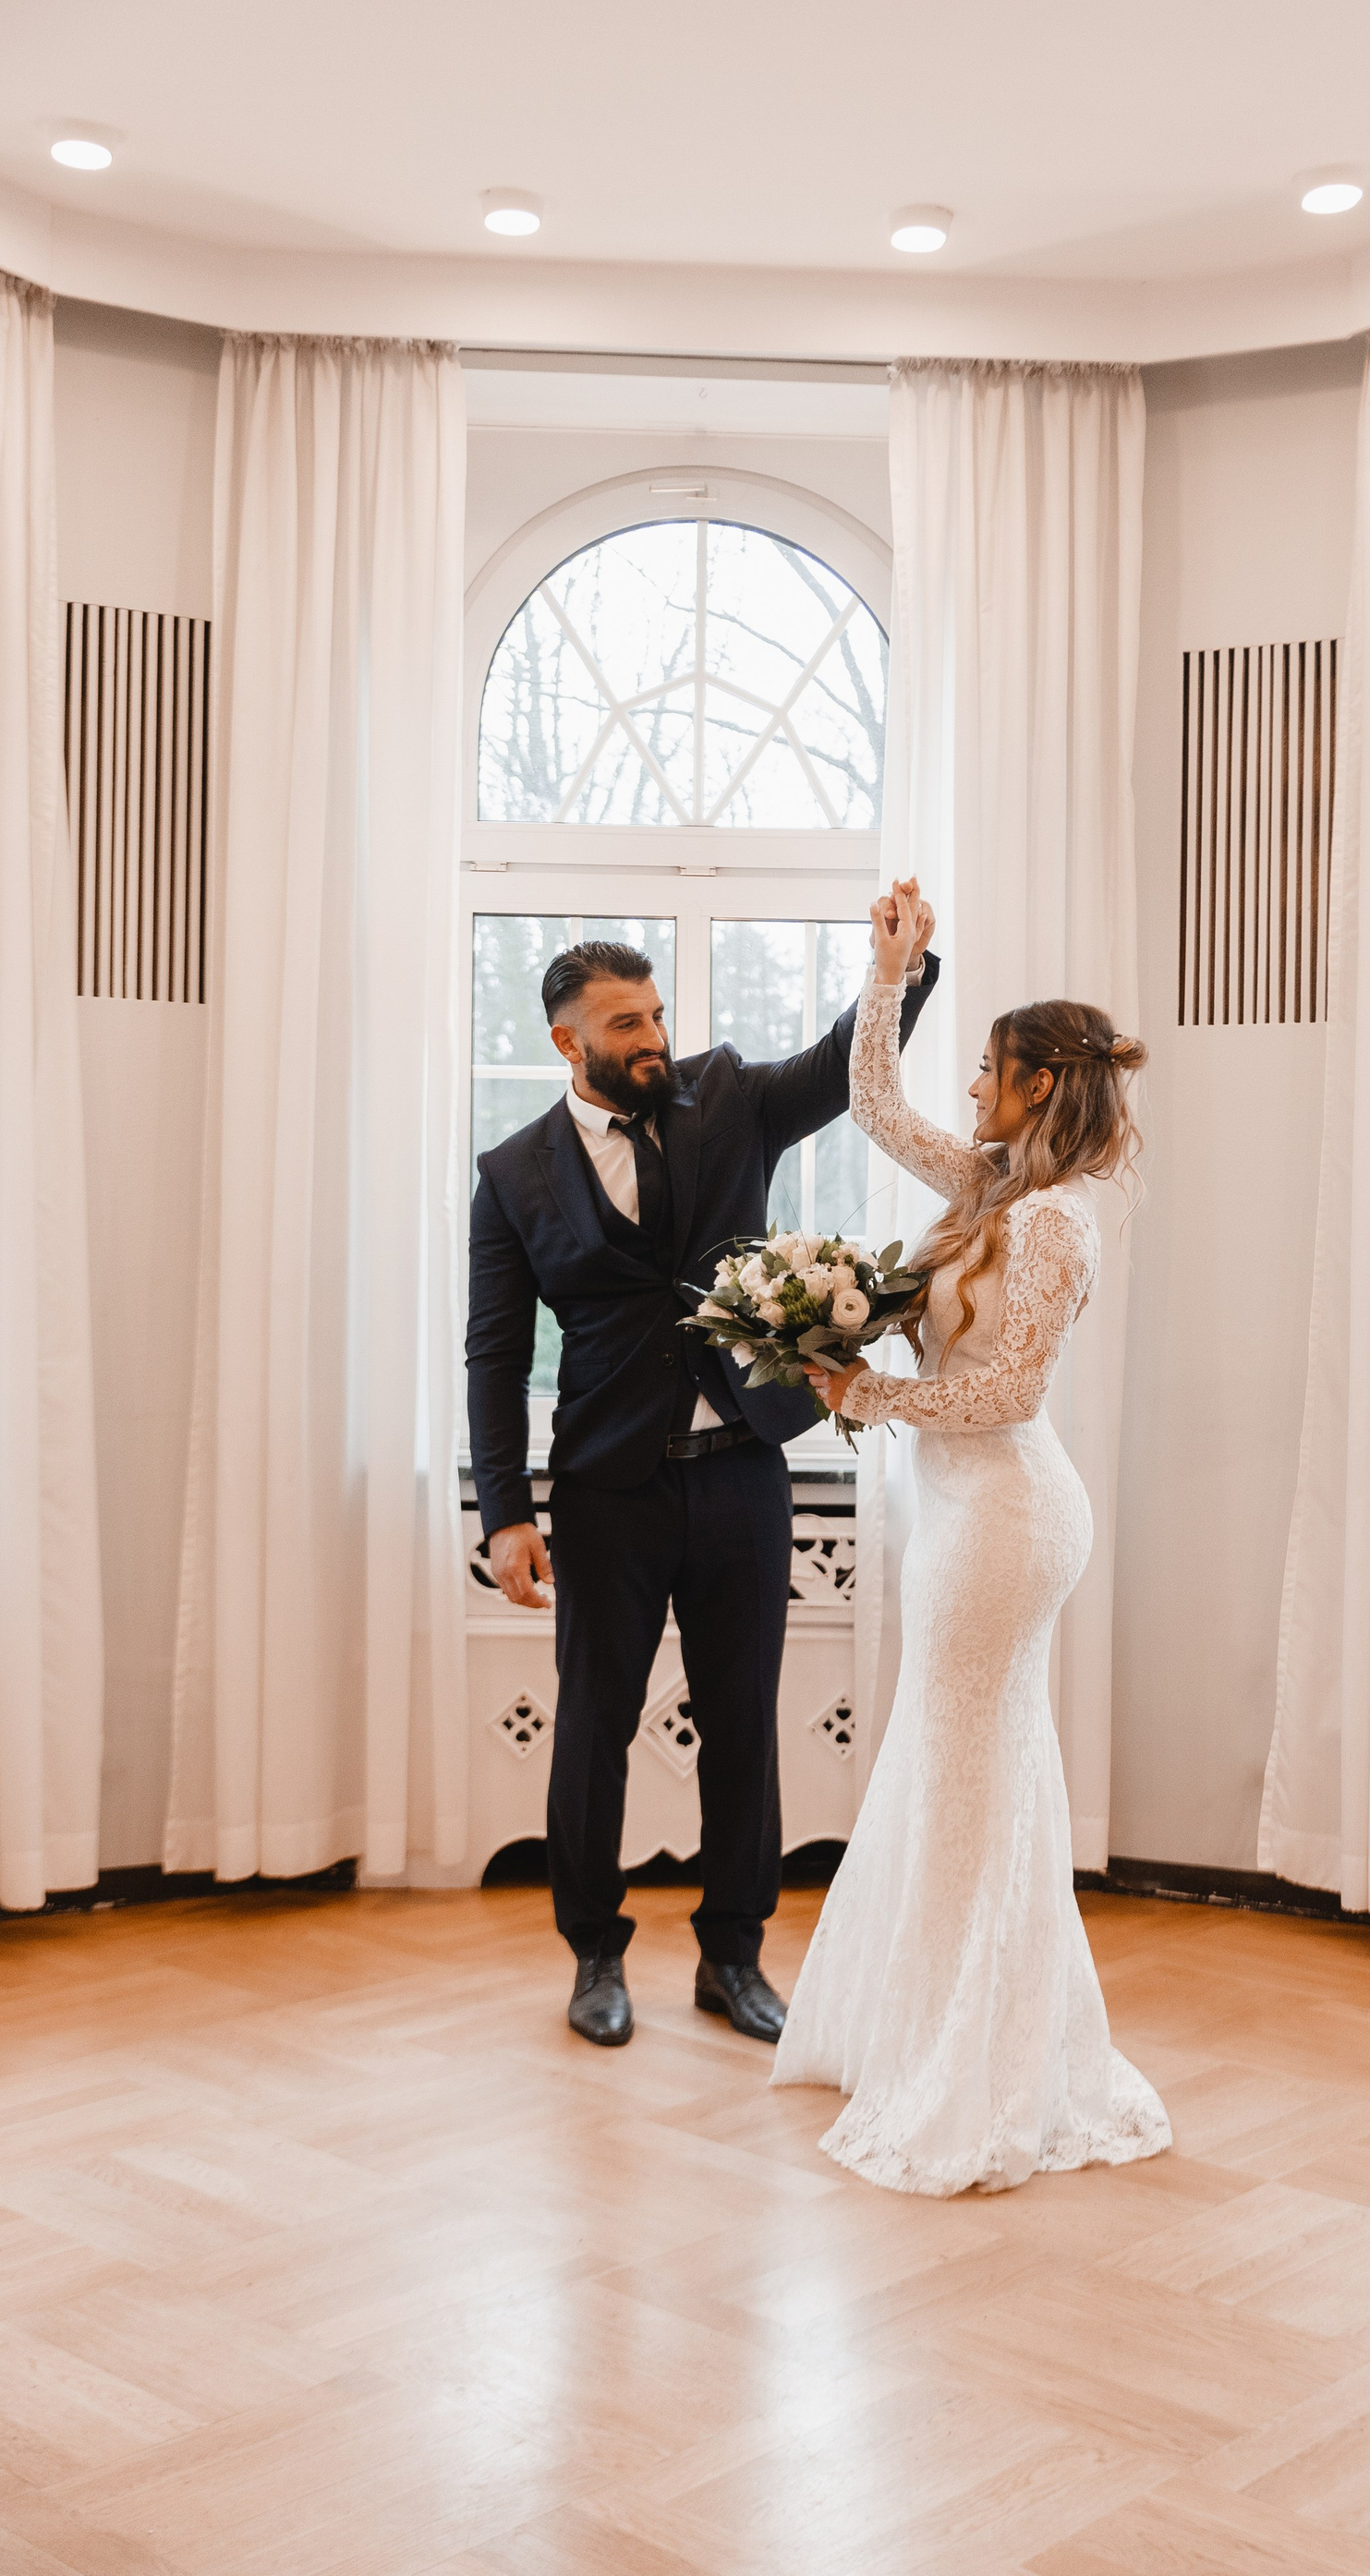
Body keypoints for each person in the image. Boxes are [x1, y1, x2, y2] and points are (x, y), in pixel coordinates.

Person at [467, 925, 940, 2050]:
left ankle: (734, 1955)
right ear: (567, 1043)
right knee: (594, 1726)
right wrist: (506, 1514)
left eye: (657, 1015)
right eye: (625, 1023)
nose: (653, 1038)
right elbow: (494, 1355)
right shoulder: (512, 1175)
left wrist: (898, 973)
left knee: (740, 1723)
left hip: (742, 1476)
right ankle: (595, 1954)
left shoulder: (726, 1098)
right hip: (606, 1493)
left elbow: (841, 1065)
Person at [776, 881, 1171, 2195]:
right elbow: (875, 1106)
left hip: (1006, 1513)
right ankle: (931, 2027)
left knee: (970, 1766)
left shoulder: (1054, 1223)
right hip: (960, 1505)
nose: (971, 1091)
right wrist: (891, 969)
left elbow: (1007, 1395)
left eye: (991, 1072)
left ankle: (982, 2055)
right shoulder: (996, 1187)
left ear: (1040, 1086)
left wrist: (865, 1395)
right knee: (956, 1761)